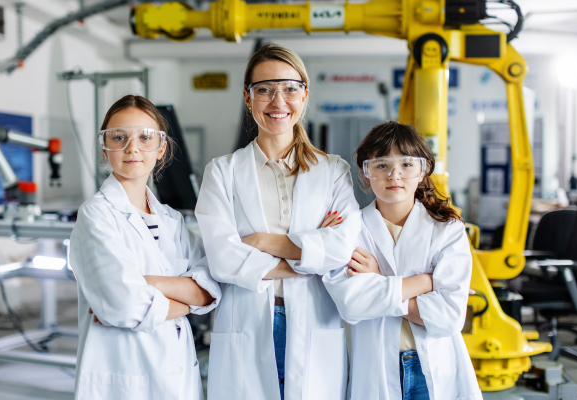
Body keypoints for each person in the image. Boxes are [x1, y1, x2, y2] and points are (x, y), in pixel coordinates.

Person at [195, 44, 361, 400]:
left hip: (315, 320)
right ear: (247, 97)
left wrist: (263, 242)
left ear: (304, 95)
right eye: (265, 89)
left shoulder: (332, 171)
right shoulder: (222, 172)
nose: (277, 100)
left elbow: (342, 249)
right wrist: (311, 255)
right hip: (248, 319)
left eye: (289, 88)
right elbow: (224, 261)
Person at [69, 95, 221, 400]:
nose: (132, 147)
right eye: (119, 137)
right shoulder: (96, 214)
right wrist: (187, 301)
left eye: (144, 137)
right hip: (124, 376)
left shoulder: (171, 220)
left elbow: (213, 285)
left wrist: (149, 284)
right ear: (105, 146)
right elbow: (124, 305)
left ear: (160, 148)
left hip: (177, 374)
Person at [324, 121, 482, 400]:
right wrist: (426, 283)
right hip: (375, 369)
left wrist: (377, 283)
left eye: (407, 165)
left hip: (433, 365)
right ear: (366, 173)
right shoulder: (349, 230)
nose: (394, 175)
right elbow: (352, 304)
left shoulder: (447, 230)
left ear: (423, 171)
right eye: (381, 165)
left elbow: (448, 318)